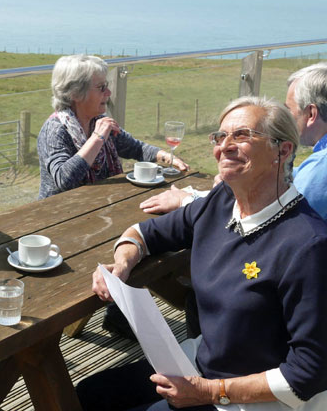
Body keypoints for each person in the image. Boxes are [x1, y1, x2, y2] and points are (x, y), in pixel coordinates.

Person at [78, 96, 327, 411]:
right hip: (196, 366)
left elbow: (308, 374)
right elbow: (146, 233)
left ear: (284, 149)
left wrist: (210, 392)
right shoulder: (222, 201)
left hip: (247, 401)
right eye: (221, 137)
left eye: (242, 136)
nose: (225, 146)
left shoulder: (308, 246)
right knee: (86, 394)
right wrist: (122, 263)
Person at [140, 63, 327, 219]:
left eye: (289, 110)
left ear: (311, 114)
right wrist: (245, 178)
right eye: (221, 137)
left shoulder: (320, 169)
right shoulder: (316, 164)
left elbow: (276, 216)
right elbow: (297, 176)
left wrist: (187, 201)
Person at [37, 54, 188, 200]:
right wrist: (97, 138)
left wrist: (167, 157)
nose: (108, 93)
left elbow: (135, 148)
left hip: (97, 204)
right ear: (75, 93)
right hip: (58, 214)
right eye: (101, 87)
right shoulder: (55, 129)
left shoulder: (98, 122)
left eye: (107, 86)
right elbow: (64, 180)